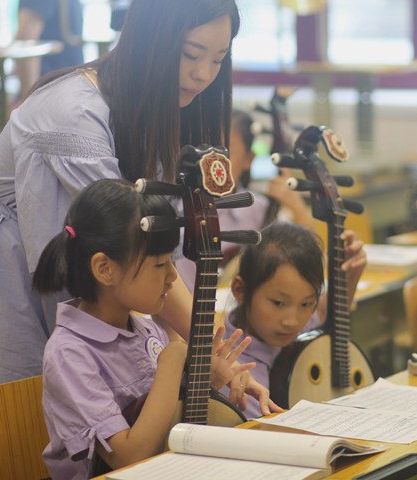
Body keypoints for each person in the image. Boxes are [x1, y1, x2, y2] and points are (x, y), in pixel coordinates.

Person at [0, 0, 240, 387]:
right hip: (5, 274)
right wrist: (208, 348)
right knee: (9, 428)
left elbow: (165, 248)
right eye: (191, 54)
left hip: (96, 271)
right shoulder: (75, 113)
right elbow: (134, 238)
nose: (204, 74)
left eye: (218, 59)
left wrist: (209, 345)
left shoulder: (159, 110)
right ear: (150, 41)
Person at [34, 179, 268, 478]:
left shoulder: (146, 329)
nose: (173, 276)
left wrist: (209, 383)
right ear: (105, 269)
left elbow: (167, 420)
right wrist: (174, 358)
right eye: (160, 265)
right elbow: (130, 456)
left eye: (172, 260)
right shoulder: (69, 354)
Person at [225, 222, 367, 419]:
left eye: (307, 304)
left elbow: (324, 314)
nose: (292, 322)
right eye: (278, 303)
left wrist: (349, 275)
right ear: (240, 290)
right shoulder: (233, 367)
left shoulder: (298, 328)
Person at [174, 108, 312, 290]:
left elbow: (305, 258)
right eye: (202, 149)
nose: (211, 160)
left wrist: (297, 207)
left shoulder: (259, 208)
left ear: (249, 158)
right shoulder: (175, 207)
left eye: (225, 151)